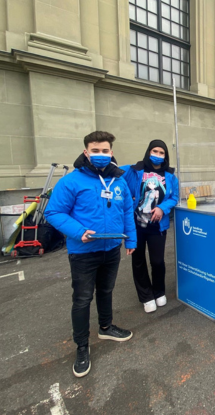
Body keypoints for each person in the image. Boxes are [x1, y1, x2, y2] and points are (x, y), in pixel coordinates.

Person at [45, 131, 137, 378]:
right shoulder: (71, 181)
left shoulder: (118, 181)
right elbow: (53, 213)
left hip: (112, 249)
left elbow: (127, 210)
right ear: (86, 152)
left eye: (105, 150)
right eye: (95, 151)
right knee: (83, 299)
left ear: (111, 152)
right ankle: (82, 346)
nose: (100, 155)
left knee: (106, 291)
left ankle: (105, 327)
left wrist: (132, 238)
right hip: (83, 252)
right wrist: (78, 231)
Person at [121, 140, 179, 313]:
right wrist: (126, 198)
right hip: (136, 225)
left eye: (162, 153)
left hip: (157, 226)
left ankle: (159, 291)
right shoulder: (135, 170)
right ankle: (146, 296)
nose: (158, 155)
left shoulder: (170, 175)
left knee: (158, 261)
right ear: (148, 151)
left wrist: (163, 207)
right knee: (138, 261)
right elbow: (113, 172)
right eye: (155, 151)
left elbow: (174, 197)